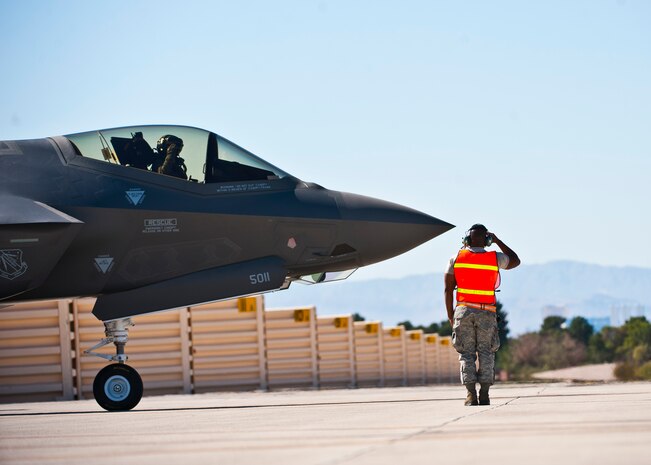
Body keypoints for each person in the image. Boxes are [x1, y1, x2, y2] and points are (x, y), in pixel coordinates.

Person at [444, 224, 520, 406]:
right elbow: (515, 260)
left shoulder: (456, 258)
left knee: (466, 354)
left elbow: (448, 289)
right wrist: (498, 240)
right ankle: (484, 394)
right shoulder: (495, 258)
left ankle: (471, 395)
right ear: (487, 240)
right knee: (486, 352)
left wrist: (450, 316)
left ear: (466, 240)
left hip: (463, 312)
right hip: (487, 312)